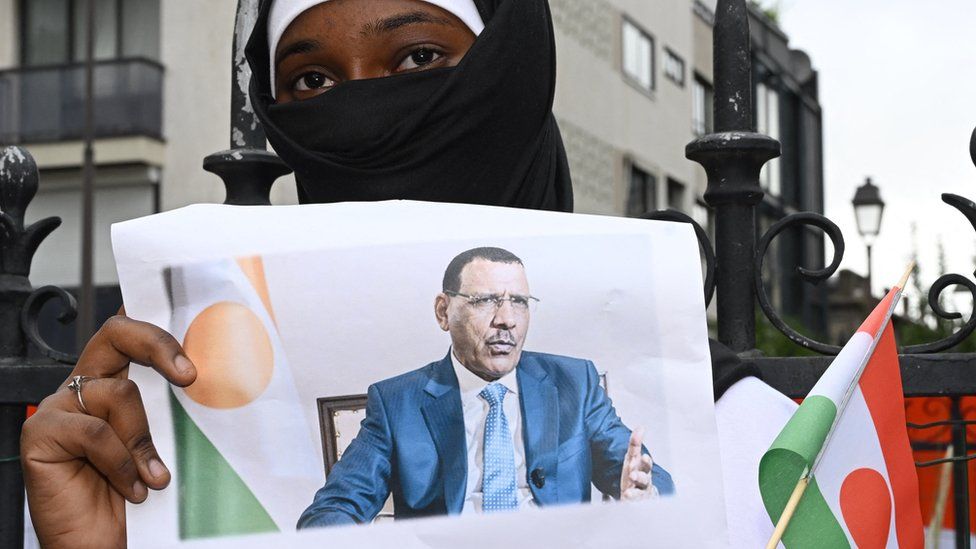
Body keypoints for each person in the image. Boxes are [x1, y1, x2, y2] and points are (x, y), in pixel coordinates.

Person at [19, 0, 774, 546]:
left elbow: (653, 477)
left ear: (510, 71)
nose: (362, 107)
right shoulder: (392, 404)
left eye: (417, 58)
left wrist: (651, 505)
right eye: (312, 81)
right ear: (445, 311)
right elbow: (332, 509)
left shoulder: (713, 422)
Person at [299, 247, 674, 527]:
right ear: (444, 312)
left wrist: (646, 493)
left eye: (520, 303)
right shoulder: (399, 401)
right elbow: (334, 509)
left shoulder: (574, 384)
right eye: (485, 301)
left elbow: (644, 478)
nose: (507, 320)